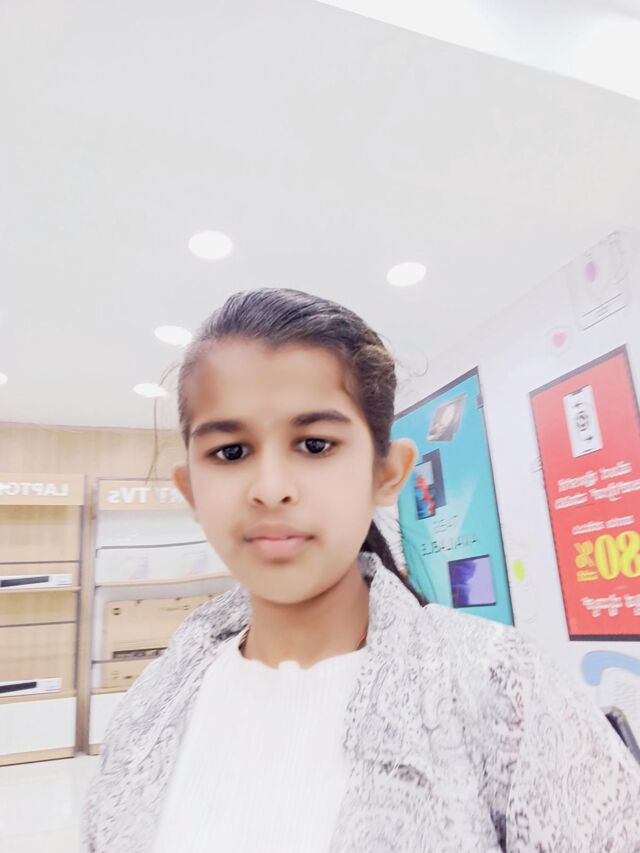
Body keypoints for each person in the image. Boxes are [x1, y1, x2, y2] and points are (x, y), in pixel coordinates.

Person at [83, 289, 640, 853]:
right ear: (191, 491)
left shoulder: (504, 686)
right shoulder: (151, 704)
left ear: (387, 474)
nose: (270, 489)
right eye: (230, 452)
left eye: (315, 444)